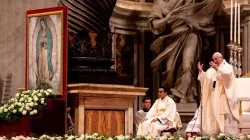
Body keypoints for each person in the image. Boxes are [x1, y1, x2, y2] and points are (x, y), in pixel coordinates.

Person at [148, 0, 223, 103]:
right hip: (172, 38)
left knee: (187, 65)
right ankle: (173, 95)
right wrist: (167, 18)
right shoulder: (160, 3)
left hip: (190, 34)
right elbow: (154, 24)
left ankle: (183, 95)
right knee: (169, 69)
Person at [197, 52, 239, 135]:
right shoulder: (212, 69)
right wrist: (201, 71)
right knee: (213, 115)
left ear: (221, 58)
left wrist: (217, 69)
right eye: (213, 59)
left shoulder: (227, 67)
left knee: (222, 115)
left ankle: (224, 134)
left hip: (222, 95)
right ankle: (214, 133)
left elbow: (227, 77)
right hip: (213, 95)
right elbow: (206, 79)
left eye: (216, 59)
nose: (215, 61)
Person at [36, 17, 54, 89]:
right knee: (40, 63)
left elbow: (50, 41)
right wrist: (40, 41)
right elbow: (37, 41)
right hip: (40, 50)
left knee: (45, 63)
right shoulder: (40, 32)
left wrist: (45, 40)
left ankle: (46, 79)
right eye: (41, 23)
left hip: (46, 50)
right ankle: (41, 79)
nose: (42, 24)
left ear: (45, 23)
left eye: (43, 23)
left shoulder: (48, 31)